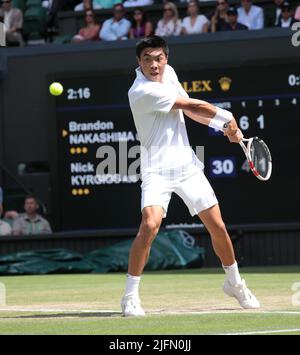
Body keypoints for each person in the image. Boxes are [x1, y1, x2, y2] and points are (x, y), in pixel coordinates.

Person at [122, 36, 260, 317]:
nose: (154, 64)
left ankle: (235, 284)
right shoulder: (140, 92)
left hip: (186, 166)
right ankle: (130, 296)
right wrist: (227, 119)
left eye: (158, 58)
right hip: (156, 170)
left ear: (166, 59)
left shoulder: (169, 74)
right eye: (147, 59)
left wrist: (224, 128)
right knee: (149, 225)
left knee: (218, 226)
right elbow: (193, 106)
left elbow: (189, 110)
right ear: (138, 62)